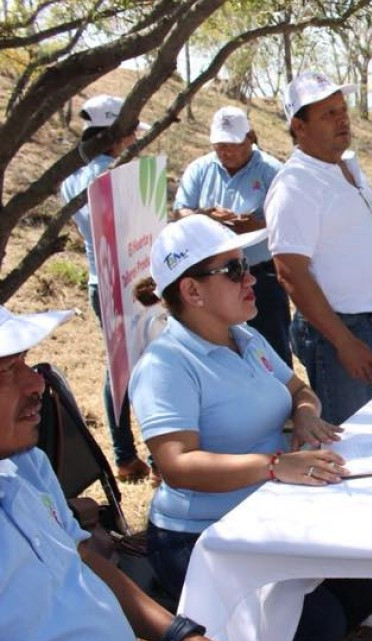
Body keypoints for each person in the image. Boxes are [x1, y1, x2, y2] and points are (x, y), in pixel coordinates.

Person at [129, 215, 372, 641]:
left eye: (246, 265)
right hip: (202, 537)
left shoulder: (246, 338)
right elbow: (177, 465)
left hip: (269, 510)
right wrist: (274, 465)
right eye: (233, 270)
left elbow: (299, 389)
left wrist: (305, 414)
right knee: (318, 623)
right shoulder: (166, 365)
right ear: (192, 291)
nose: (251, 279)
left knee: (368, 583)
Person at [0, 305, 212, 641]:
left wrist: (181, 635)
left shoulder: (27, 465)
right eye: (7, 370)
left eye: (25, 361)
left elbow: (79, 557)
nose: (36, 382)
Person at [266, 71, 372, 425]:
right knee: (356, 440)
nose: (342, 119)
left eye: (342, 109)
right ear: (299, 127)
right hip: (338, 334)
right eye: (328, 114)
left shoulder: (347, 168)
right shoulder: (295, 184)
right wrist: (343, 342)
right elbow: (290, 273)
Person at [59, 93, 153, 484]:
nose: (133, 138)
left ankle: (127, 454)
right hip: (132, 282)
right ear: (113, 133)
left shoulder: (71, 178)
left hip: (100, 281)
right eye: (129, 132)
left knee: (119, 365)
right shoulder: (115, 176)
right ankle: (144, 455)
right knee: (142, 363)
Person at [173, 106, 291, 365]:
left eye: (233, 144)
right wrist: (205, 217)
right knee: (218, 350)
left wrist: (252, 225)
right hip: (212, 279)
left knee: (272, 351)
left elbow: (289, 222)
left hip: (261, 276)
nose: (226, 151)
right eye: (220, 145)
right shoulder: (200, 169)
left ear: (251, 137)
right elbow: (181, 210)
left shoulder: (273, 172)